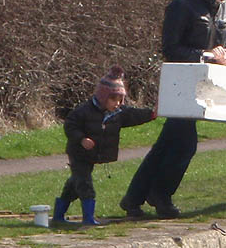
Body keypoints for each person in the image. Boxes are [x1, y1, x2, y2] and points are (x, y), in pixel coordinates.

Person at [120, 0, 226, 219]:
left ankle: (134, 198)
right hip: (181, 83)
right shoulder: (182, 6)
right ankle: (160, 195)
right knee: (185, 144)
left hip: (207, 84)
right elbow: (171, 49)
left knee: (168, 143)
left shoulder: (225, 7)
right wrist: (207, 56)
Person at [53, 65, 156, 225]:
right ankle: (88, 218)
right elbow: (70, 125)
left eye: (120, 100)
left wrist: (151, 114)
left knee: (74, 184)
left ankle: (58, 215)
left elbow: (133, 115)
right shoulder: (83, 111)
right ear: (103, 97)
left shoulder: (117, 114)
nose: (117, 103)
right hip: (79, 154)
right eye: (113, 99)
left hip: (92, 155)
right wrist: (81, 139)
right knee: (85, 185)